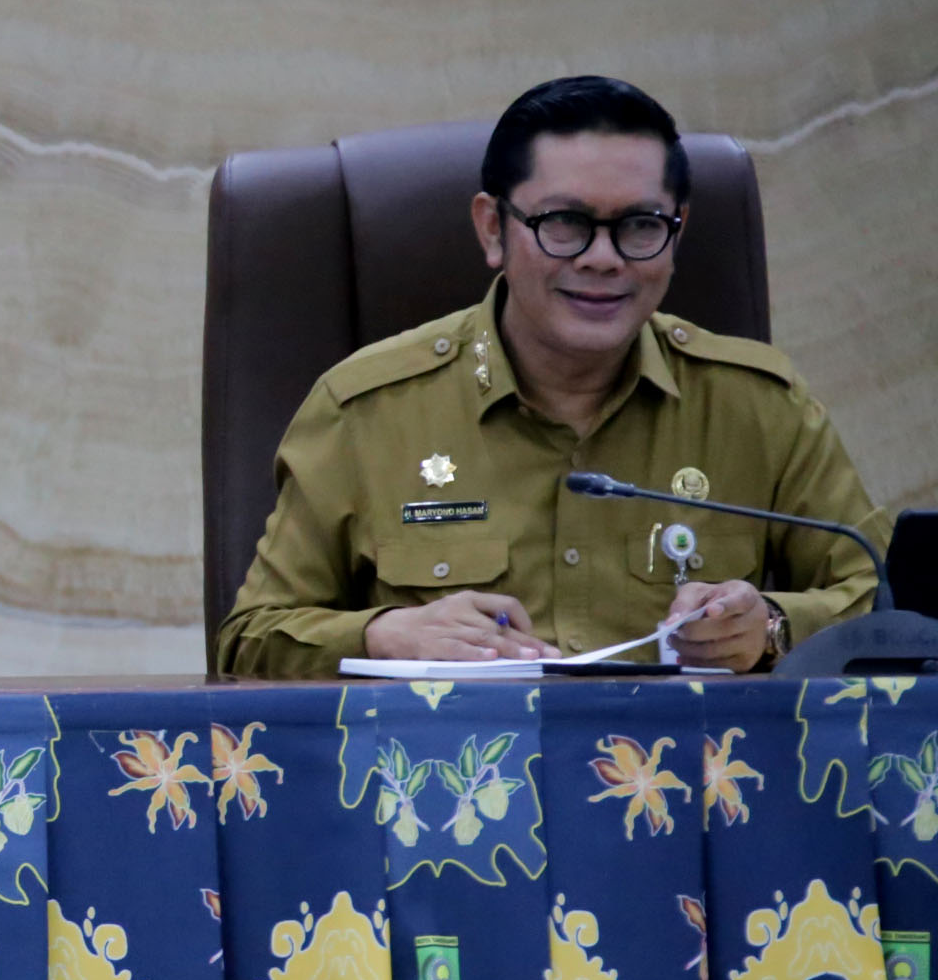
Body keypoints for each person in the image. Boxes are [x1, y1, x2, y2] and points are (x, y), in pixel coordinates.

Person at [216, 75, 885, 678]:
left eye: (640, 225)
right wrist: (387, 634)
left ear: (677, 235)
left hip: (693, 789)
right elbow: (248, 641)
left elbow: (894, 607)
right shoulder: (364, 409)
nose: (602, 258)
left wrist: (772, 625)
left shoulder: (758, 407)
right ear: (492, 230)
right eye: (564, 224)